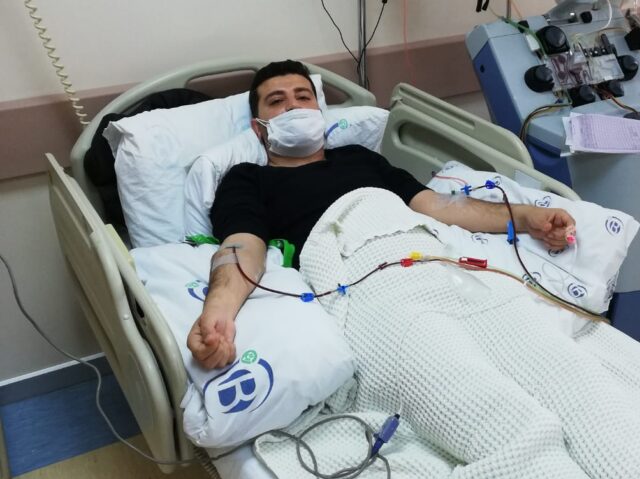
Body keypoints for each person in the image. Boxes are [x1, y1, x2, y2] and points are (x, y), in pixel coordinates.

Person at [187, 60, 575, 370]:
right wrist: (218, 312)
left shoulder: (360, 157)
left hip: (432, 262)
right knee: (456, 369)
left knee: (548, 353)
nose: (293, 106)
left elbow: (436, 206)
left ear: (319, 111)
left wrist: (525, 218)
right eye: (277, 101)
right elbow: (243, 246)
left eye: (303, 96)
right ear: (259, 129)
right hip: (362, 285)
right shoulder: (247, 178)